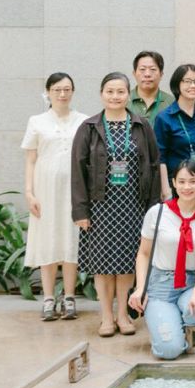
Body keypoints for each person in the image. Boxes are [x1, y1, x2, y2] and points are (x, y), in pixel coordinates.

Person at [71, 72, 159, 337]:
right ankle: (106, 317)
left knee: (127, 263)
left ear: (127, 94)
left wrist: (153, 209)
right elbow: (77, 171)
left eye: (120, 92)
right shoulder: (89, 127)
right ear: (101, 94)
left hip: (133, 205)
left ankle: (123, 315)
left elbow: (153, 167)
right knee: (102, 264)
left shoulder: (141, 125)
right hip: (100, 206)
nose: (115, 96)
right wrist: (80, 210)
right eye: (110, 91)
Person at [127, 160, 195, 360]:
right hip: (160, 287)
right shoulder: (157, 213)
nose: (187, 187)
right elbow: (143, 253)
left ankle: (174, 323)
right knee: (169, 351)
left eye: (193, 181)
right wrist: (140, 288)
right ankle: (169, 330)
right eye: (182, 181)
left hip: (191, 283)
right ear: (174, 183)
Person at [22, 72, 87, 321]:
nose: (62, 94)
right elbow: (30, 160)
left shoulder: (82, 120)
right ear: (48, 92)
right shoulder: (37, 121)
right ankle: (48, 298)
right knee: (47, 241)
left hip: (74, 188)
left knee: (71, 241)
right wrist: (29, 192)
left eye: (67, 89)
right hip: (45, 189)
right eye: (57, 89)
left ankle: (69, 296)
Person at [153, 63, 195, 201]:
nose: (193, 86)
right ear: (176, 84)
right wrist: (166, 189)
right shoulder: (164, 117)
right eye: (187, 81)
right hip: (178, 186)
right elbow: (160, 157)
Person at [128, 50, 173, 123]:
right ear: (134, 73)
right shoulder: (123, 100)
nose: (147, 74)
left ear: (161, 74)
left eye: (153, 69)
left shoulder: (171, 103)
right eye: (142, 69)